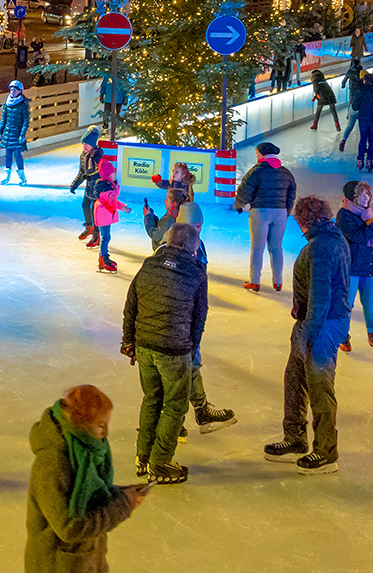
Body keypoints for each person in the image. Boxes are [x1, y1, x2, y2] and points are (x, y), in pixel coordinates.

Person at [264, 195, 350, 475]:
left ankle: (326, 451)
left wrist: (310, 333)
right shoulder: (329, 238)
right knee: (295, 379)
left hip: (320, 325)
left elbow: (322, 296)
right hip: (315, 322)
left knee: (318, 385)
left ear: (304, 220)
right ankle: (295, 438)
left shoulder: (322, 247)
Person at [25, 385, 149, 573]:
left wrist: (121, 495)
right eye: (100, 424)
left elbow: (89, 495)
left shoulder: (84, 450)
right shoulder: (52, 463)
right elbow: (69, 527)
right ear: (79, 423)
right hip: (58, 565)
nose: (105, 432)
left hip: (85, 560)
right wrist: (122, 505)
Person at [120, 222, 207, 484]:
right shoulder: (196, 273)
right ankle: (160, 461)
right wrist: (191, 348)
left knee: (151, 399)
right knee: (175, 405)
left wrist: (128, 341)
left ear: (167, 242)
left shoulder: (149, 265)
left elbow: (131, 304)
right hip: (174, 349)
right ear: (193, 248)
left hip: (145, 346)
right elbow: (198, 319)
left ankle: (143, 456)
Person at [175, 203, 238, 434]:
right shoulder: (168, 248)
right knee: (178, 367)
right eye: (192, 226)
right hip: (175, 318)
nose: (197, 231)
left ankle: (198, 411)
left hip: (191, 315)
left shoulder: (199, 247)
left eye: (200, 226)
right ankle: (177, 419)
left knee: (192, 362)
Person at [336, 180, 373, 353]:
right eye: (363, 194)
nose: (367, 198)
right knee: (347, 304)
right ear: (353, 197)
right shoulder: (344, 215)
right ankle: (342, 334)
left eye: (368, 194)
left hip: (368, 266)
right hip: (351, 267)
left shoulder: (367, 214)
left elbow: (371, 241)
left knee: (370, 304)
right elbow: (358, 236)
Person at [233, 142, 297, 292]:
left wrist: (239, 205)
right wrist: (286, 211)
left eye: (256, 153)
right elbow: (291, 194)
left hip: (260, 212)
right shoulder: (286, 173)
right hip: (280, 213)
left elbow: (244, 191)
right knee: (276, 248)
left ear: (262, 154)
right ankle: (278, 282)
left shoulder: (255, 172)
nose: (256, 155)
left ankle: (255, 281)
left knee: (257, 249)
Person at [91, 160, 131, 274]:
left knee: (106, 237)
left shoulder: (108, 185)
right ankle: (103, 259)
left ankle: (105, 256)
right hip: (103, 214)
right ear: (108, 175)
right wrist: (122, 207)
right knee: (105, 237)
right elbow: (111, 201)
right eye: (113, 172)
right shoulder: (106, 188)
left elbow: (112, 199)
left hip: (105, 213)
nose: (115, 174)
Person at [69, 127, 104, 245]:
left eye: (87, 144)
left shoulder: (98, 154)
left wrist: (90, 177)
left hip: (97, 188)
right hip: (89, 187)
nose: (84, 146)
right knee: (85, 205)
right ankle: (90, 227)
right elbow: (82, 171)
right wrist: (75, 184)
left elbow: (101, 171)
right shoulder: (84, 155)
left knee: (95, 211)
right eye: (83, 144)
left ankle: (97, 234)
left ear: (93, 144)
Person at [351, 69, 373, 172]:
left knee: (363, 139)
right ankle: (369, 161)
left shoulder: (361, 90)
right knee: (371, 140)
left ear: (365, 81)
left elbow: (355, 106)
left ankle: (360, 161)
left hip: (363, 118)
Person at [0, 79, 32, 186]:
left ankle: (22, 176)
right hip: (8, 134)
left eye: (14, 90)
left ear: (20, 91)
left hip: (17, 134)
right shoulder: (7, 103)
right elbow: (4, 118)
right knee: (8, 154)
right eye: (11, 90)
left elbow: (26, 121)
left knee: (17, 154)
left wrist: (22, 135)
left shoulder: (22, 105)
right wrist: (0, 132)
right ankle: (6, 175)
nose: (12, 92)